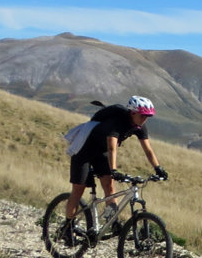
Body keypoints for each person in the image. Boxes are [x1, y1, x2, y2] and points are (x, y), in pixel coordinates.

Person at [62, 95, 168, 237]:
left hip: (101, 152)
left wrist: (158, 168)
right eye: (142, 115)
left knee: (109, 187)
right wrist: (114, 170)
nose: (145, 119)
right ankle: (67, 227)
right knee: (78, 191)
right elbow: (112, 148)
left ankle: (113, 221)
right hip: (84, 151)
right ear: (133, 113)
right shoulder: (117, 122)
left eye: (147, 116)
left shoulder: (140, 126)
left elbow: (148, 150)